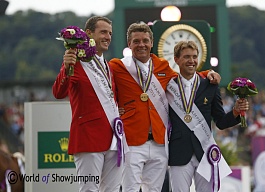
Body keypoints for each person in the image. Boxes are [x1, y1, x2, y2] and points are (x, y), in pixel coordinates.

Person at [109, 22, 220, 192]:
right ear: (129, 44)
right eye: (136, 41)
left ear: (152, 43)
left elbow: (184, 77)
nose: (141, 45)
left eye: (145, 40)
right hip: (132, 141)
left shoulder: (162, 66)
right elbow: (105, 90)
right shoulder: (117, 66)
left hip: (159, 143)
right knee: (130, 189)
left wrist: (207, 73)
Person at [52, 16, 127, 192]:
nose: (108, 37)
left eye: (110, 33)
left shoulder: (107, 65)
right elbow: (58, 92)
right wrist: (66, 67)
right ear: (88, 34)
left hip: (114, 138)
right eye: (103, 32)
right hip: (89, 137)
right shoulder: (76, 61)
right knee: (89, 189)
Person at [166, 40, 249, 192]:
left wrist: (236, 112)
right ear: (176, 59)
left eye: (194, 56)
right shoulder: (168, 86)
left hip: (205, 152)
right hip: (179, 152)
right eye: (186, 57)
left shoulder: (210, 86)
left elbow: (221, 122)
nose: (191, 61)